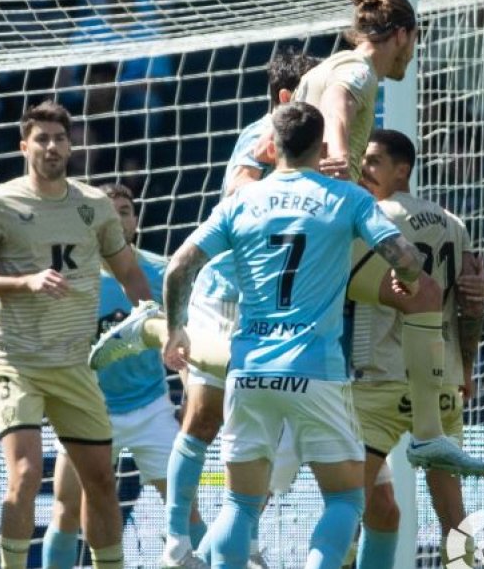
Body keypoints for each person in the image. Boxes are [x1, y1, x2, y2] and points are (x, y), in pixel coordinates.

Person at [161, 101, 425, 569]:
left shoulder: (239, 202)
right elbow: (403, 255)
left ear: (274, 145)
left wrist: (175, 328)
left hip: (249, 371)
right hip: (316, 372)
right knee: (345, 499)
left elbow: (180, 265)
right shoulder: (347, 198)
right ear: (322, 147)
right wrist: (407, 272)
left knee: (240, 506)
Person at [90, 47, 320, 569]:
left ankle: (246, 542)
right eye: (316, 88)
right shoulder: (262, 135)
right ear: (289, 99)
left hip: (279, 309)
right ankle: (176, 545)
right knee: (201, 419)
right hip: (223, 297)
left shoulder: (327, 145)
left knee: (271, 439)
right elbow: (237, 189)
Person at [292, 0, 484, 477]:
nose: (412, 56)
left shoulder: (318, 69)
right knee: (421, 292)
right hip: (323, 227)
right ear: (401, 35)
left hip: (290, 222)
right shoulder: (357, 69)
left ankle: (426, 438)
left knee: (417, 295)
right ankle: (427, 437)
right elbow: (339, 104)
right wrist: (337, 151)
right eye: (414, 42)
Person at [0, 100, 152, 569]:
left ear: (72, 144)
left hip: (72, 364)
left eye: (60, 138)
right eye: (41, 138)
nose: (51, 146)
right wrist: (24, 281)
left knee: (101, 480)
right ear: (24, 146)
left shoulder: (94, 205)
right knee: (25, 474)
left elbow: (129, 271)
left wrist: (152, 317)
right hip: (15, 359)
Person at [40, 183, 203, 568]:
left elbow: (184, 348)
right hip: (88, 411)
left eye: (125, 210)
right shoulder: (66, 276)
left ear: (135, 220)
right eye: (106, 210)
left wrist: (191, 404)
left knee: (185, 512)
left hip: (151, 410)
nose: (116, 217)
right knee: (65, 510)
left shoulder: (164, 272)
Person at [350, 129, 484, 567]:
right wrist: (466, 367)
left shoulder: (374, 217)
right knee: (452, 513)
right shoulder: (456, 224)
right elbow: (471, 305)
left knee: (346, 505)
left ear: (402, 170)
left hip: (383, 382)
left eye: (373, 162)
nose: (363, 170)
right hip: (443, 383)